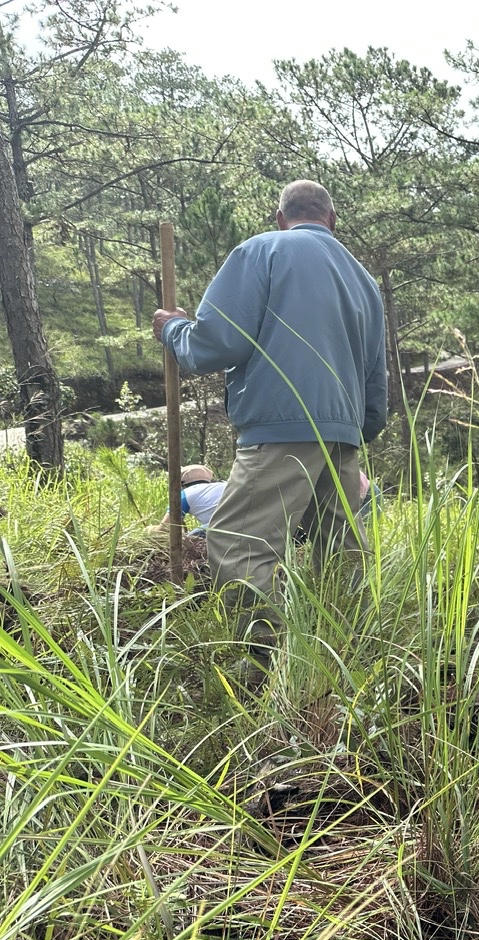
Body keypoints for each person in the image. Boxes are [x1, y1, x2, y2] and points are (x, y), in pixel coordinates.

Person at [153, 179, 386, 687]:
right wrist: (357, 432)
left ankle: (261, 672)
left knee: (237, 543)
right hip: (344, 436)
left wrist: (173, 329)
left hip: (280, 429)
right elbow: (374, 374)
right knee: (340, 551)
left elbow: (216, 344)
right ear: (331, 219)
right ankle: (349, 672)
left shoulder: (261, 251)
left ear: (280, 217)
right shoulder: (363, 279)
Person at [147, 463, 227, 537]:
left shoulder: (184, 495)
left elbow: (164, 529)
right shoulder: (224, 485)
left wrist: (149, 530)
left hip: (222, 528)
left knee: (189, 541)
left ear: (182, 484)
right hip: (237, 526)